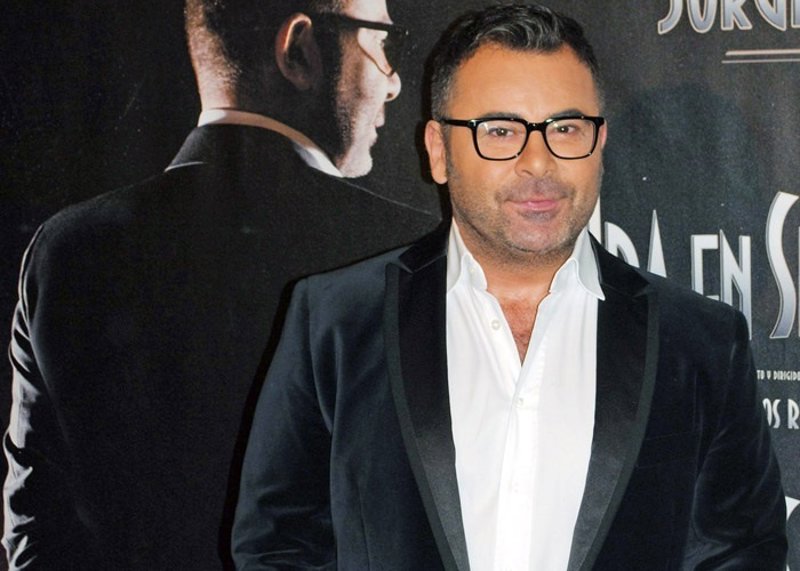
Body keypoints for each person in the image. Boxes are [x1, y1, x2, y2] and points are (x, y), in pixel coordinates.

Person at [232, 4, 788, 569]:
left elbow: (740, 555)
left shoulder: (699, 342)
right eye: (499, 131)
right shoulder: (335, 323)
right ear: (438, 151)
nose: (537, 163)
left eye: (566, 128)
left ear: (599, 144)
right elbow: (278, 547)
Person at [3, 0, 439, 569]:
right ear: (299, 51)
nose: (395, 82)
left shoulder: (65, 250)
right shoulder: (414, 253)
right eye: (382, 43)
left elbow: (35, 534)